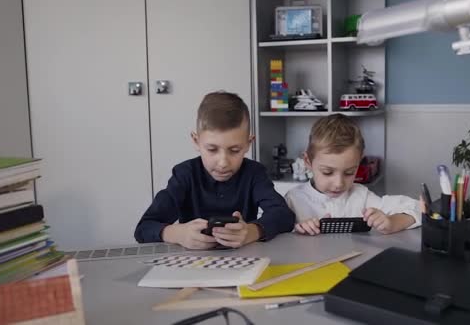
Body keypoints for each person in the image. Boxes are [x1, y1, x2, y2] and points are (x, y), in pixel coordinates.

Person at [134, 91, 295, 248]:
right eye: (212, 149)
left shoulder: (254, 173)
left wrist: (252, 231)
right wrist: (177, 234)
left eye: (234, 150)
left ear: (248, 143)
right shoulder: (185, 174)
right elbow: (144, 228)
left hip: (245, 261)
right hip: (193, 264)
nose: (223, 162)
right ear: (196, 141)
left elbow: (284, 216)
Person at [285, 114, 421, 235]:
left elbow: (416, 208)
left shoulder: (361, 196)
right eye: (327, 172)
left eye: (349, 172)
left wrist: (392, 223)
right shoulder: (293, 200)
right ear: (308, 161)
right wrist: (297, 231)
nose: (339, 183)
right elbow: (278, 236)